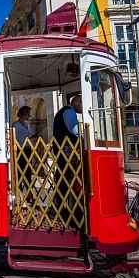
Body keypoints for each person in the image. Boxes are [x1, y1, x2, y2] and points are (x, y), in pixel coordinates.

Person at [52, 94, 82, 225]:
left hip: (63, 148)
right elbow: (75, 131)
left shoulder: (64, 111)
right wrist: (86, 139)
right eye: (82, 104)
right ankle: (63, 206)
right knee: (66, 176)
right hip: (66, 149)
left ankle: (60, 205)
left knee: (63, 176)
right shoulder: (69, 112)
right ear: (76, 102)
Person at [12, 106, 36, 193]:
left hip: (27, 149)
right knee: (19, 171)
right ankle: (19, 192)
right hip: (19, 150)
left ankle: (29, 192)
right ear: (23, 114)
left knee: (27, 171)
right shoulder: (15, 125)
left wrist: (33, 136)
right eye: (28, 113)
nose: (29, 115)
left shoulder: (27, 124)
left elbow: (28, 136)